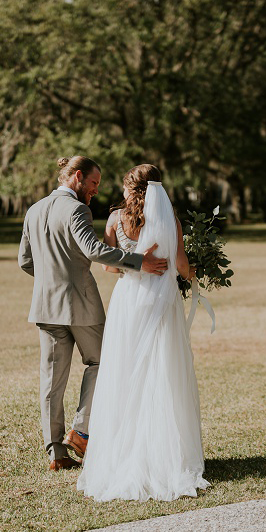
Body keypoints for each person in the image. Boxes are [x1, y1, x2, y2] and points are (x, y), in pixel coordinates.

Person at [18, 156, 168, 471]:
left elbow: (25, 261)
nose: (95, 191)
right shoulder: (76, 209)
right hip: (81, 305)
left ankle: (56, 452)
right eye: (94, 183)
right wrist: (139, 261)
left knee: (51, 381)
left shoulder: (33, 210)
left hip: (45, 308)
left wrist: (51, 280)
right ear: (77, 177)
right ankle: (81, 430)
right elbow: (95, 250)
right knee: (102, 361)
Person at [77, 164, 209, 501]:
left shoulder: (114, 220)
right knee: (160, 373)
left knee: (126, 373)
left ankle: (122, 455)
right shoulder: (167, 218)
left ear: (129, 188)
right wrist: (196, 269)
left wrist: (134, 259)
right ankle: (163, 458)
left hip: (127, 301)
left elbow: (108, 264)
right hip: (160, 303)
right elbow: (180, 265)